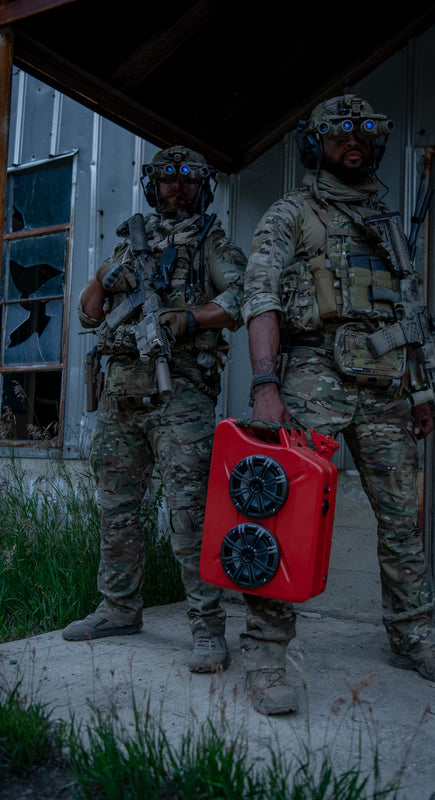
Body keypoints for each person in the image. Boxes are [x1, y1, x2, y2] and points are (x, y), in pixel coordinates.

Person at [241, 94, 435, 715]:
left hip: (387, 389)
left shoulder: (386, 222)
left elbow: (407, 314)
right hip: (314, 377)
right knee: (284, 513)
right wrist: (265, 385)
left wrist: (421, 390)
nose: (353, 142)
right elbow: (260, 296)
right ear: (317, 144)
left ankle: (412, 635)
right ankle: (265, 655)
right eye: (339, 133)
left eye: (364, 133)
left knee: (403, 518)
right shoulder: (293, 212)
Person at [62, 145, 246, 674]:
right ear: (152, 186)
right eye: (167, 178)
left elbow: (243, 299)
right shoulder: (128, 244)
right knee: (116, 511)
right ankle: (118, 609)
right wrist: (106, 277)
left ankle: (207, 628)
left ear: (201, 187)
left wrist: (188, 318)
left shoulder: (212, 243)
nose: (176, 188)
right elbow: (89, 314)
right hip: (120, 396)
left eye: (187, 180)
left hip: (179, 396)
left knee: (190, 516)